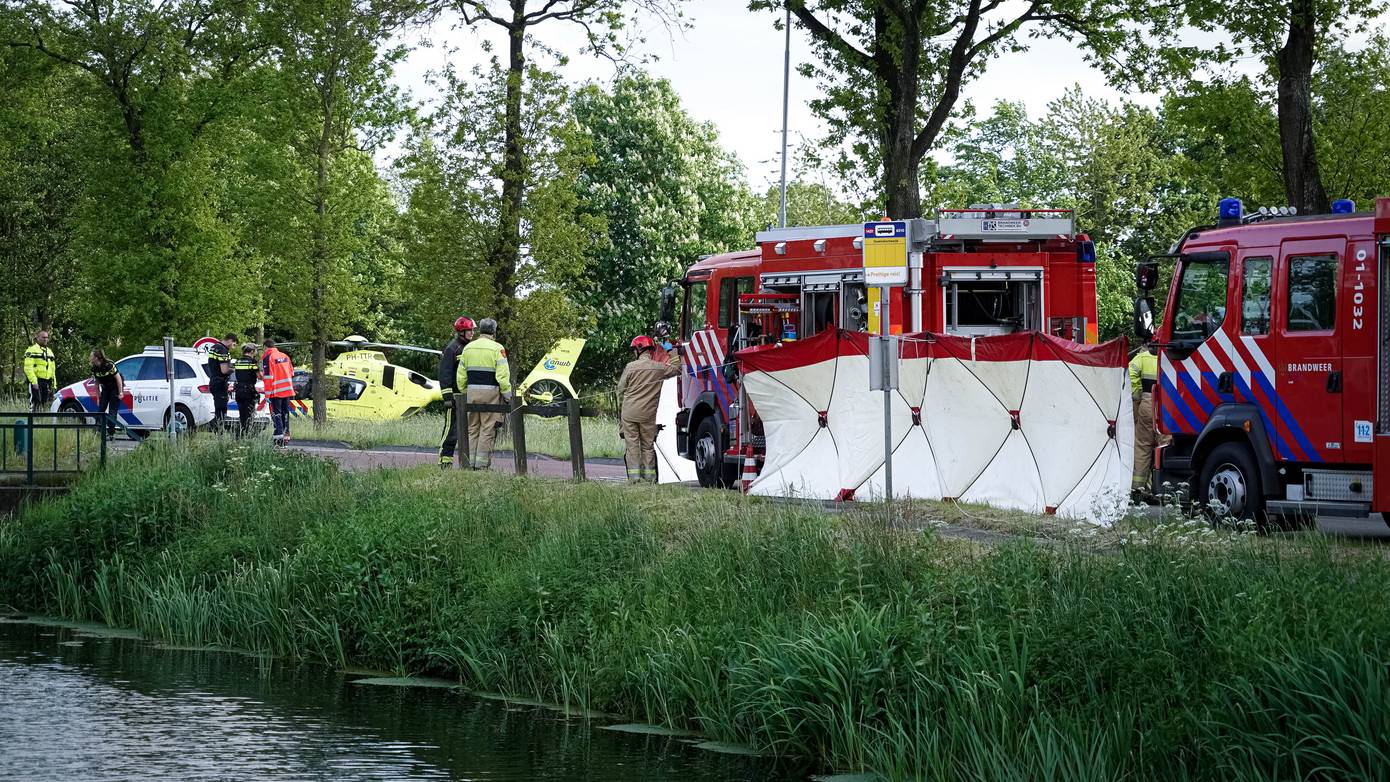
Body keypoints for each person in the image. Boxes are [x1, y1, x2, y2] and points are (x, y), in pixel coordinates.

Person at [616, 335, 682, 483]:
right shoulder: (659, 368)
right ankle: (650, 479)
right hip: (648, 415)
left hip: (629, 413)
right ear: (650, 350)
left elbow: (620, 390)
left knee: (632, 446)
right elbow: (678, 369)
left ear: (639, 349)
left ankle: (634, 480)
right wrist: (671, 350)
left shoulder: (630, 367)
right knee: (647, 447)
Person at [456, 318, 510, 470]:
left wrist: (465, 392)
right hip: (491, 394)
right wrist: (508, 396)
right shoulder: (498, 348)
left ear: (480, 330)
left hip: (472, 393)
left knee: (472, 428)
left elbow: (461, 376)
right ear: (494, 331)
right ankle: (481, 465)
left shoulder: (468, 348)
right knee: (487, 429)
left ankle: (469, 463)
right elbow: (502, 377)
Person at [438, 316, 476, 468]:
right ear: (462, 332)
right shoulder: (452, 348)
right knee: (451, 430)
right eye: (470, 330)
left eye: (473, 330)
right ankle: (444, 460)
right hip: (454, 397)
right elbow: (444, 374)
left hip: (467, 396)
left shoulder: (469, 349)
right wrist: (447, 397)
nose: (472, 333)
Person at [1129, 340, 1160, 500]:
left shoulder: (1141, 359)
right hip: (1169, 405)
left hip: (1147, 402)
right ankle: (1162, 488)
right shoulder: (1171, 357)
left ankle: (1138, 489)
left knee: (1142, 446)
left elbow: (1130, 373)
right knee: (1165, 447)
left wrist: (1137, 394)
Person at [260, 339, 295, 448]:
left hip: (276, 391)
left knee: (277, 414)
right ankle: (286, 436)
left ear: (265, 347)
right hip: (288, 390)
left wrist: (267, 395)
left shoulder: (268, 357)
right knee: (285, 413)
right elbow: (292, 372)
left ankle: (278, 439)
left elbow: (268, 378)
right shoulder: (285, 356)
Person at [89, 349, 124, 438]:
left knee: (112, 410)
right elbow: (96, 384)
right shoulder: (94, 368)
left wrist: (120, 392)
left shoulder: (109, 365)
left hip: (115, 388)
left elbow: (118, 379)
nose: (90, 358)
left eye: (91, 356)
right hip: (105, 388)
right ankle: (97, 431)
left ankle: (111, 433)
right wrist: (98, 398)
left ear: (96, 358)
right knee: (101, 408)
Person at [205, 333, 236, 432]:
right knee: (221, 409)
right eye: (234, 344)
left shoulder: (214, 347)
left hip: (214, 380)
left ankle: (217, 430)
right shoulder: (223, 350)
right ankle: (214, 429)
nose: (233, 347)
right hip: (220, 382)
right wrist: (234, 368)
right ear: (230, 341)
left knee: (218, 408)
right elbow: (224, 370)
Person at [232, 344, 261, 437]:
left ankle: (240, 433)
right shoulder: (252, 362)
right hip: (248, 391)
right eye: (256, 350)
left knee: (242, 414)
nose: (256, 353)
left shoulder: (238, 361)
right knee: (249, 414)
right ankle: (247, 434)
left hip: (239, 391)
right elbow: (259, 376)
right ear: (252, 351)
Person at [24, 330, 56, 412]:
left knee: (45, 404)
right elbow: (28, 368)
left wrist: (54, 384)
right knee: (35, 402)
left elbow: (53, 369)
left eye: (47, 337)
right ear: (38, 338)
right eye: (43, 337)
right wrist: (34, 382)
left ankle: (41, 423)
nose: (45, 339)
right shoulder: (31, 350)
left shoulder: (50, 352)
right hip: (36, 381)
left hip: (47, 382)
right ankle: (32, 423)